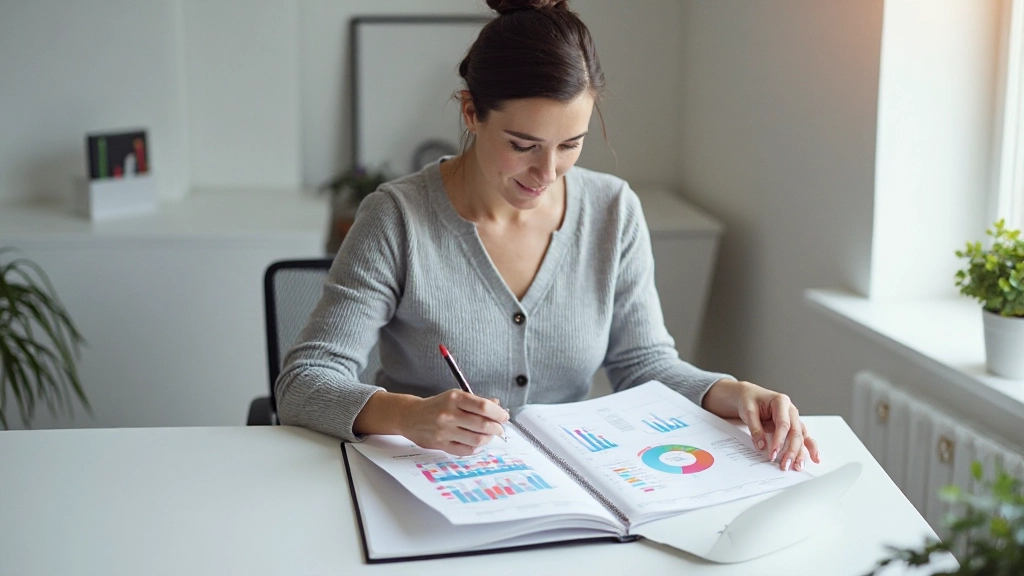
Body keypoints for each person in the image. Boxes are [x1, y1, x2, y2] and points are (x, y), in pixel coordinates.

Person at [276, 0, 820, 472]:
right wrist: (410, 415)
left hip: (565, 488)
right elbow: (304, 383)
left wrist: (734, 393)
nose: (547, 173)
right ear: (471, 112)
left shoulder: (613, 211)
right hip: (426, 481)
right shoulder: (396, 218)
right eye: (523, 144)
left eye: (570, 145)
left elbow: (645, 366)